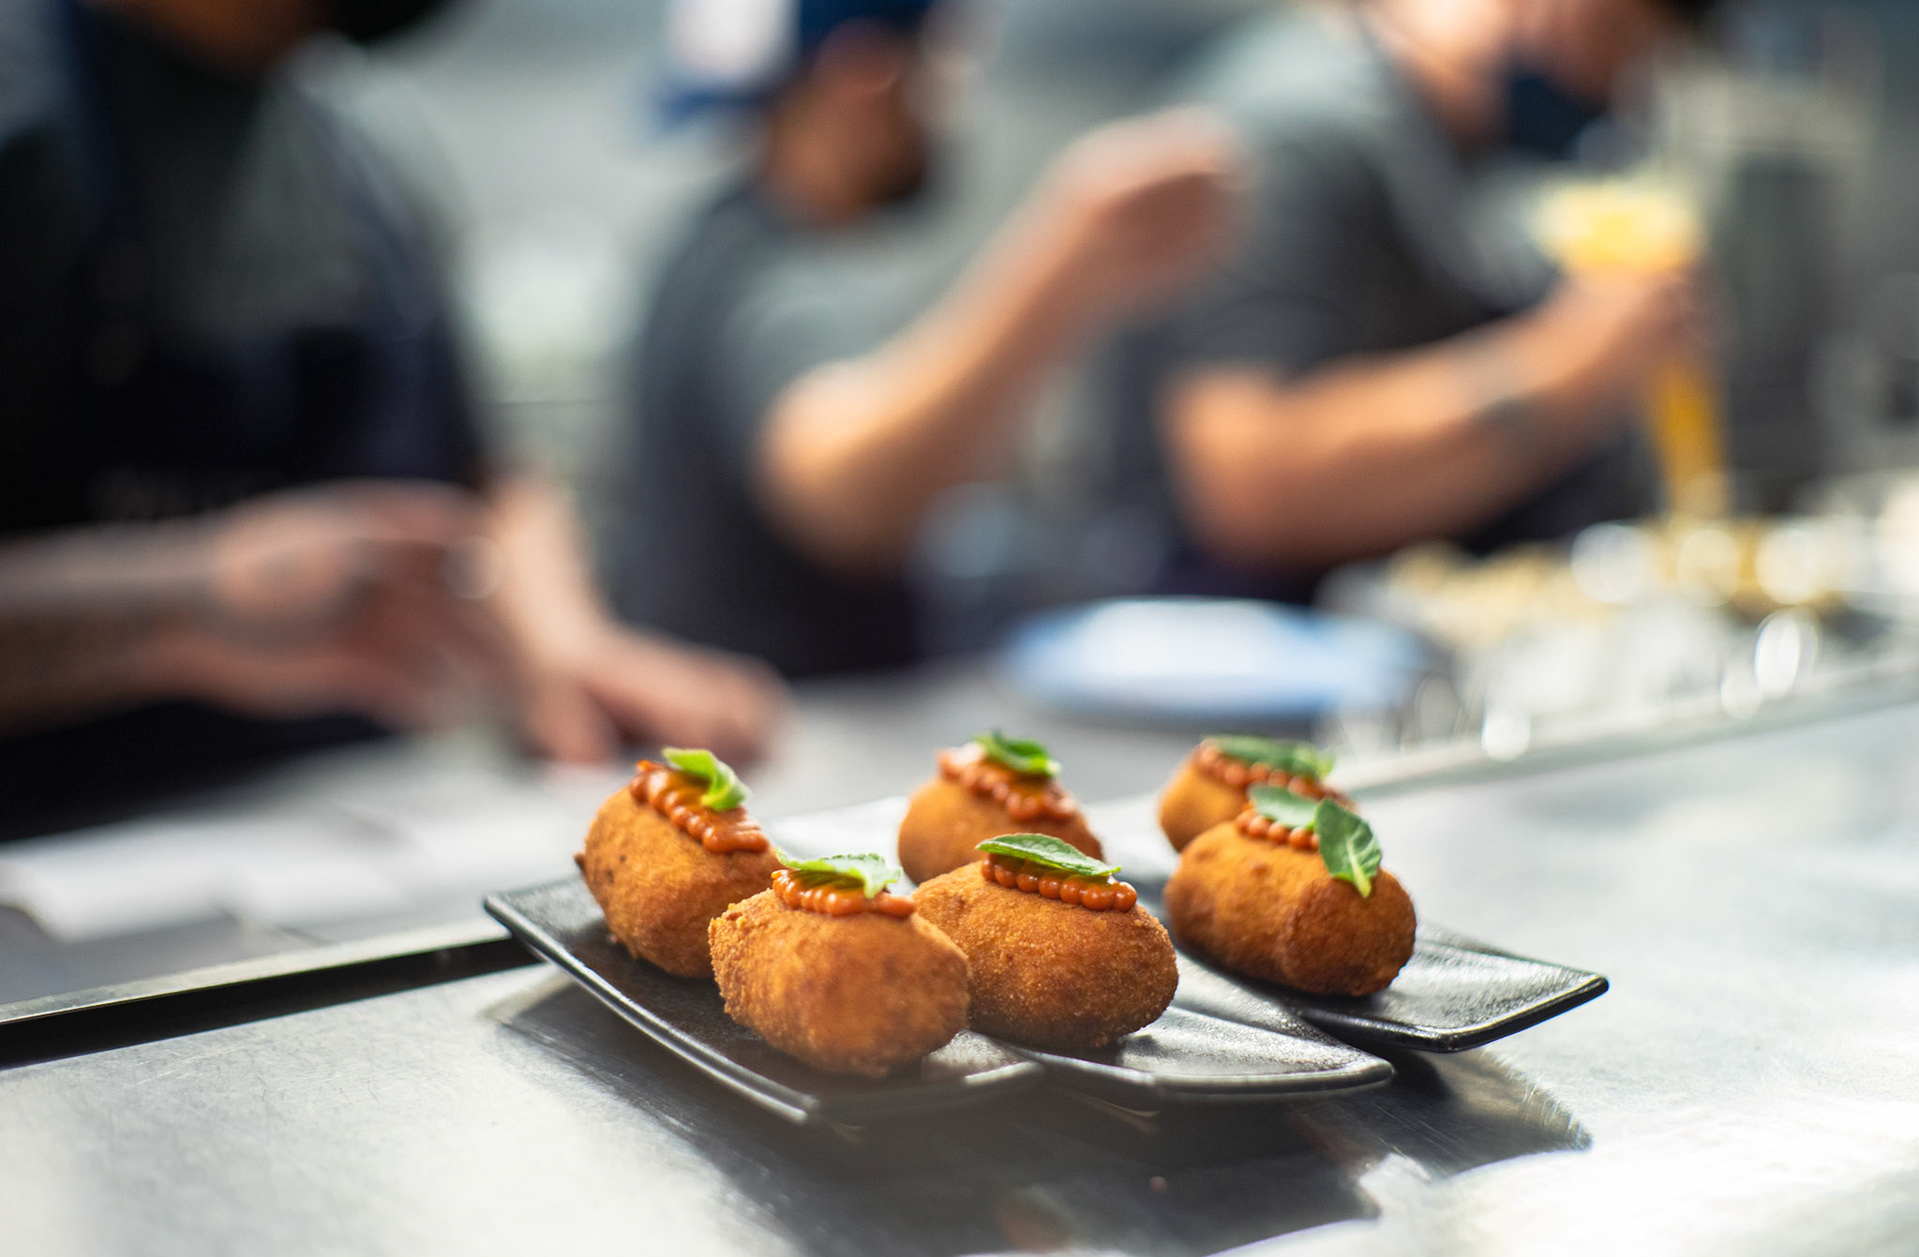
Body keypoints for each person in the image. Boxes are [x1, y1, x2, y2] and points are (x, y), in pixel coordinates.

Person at [0, 0, 783, 827]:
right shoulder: (28, 110)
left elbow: (482, 472)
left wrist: (566, 642)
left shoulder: (362, 140)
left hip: (331, 825)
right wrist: (191, 600)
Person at [611, 0, 1241, 677]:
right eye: (941, 62)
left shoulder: (714, 248)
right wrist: (1066, 260)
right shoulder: (768, 284)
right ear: (865, 76)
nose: (951, 101)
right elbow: (850, 493)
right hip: (793, 742)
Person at [1096, 0, 1719, 601]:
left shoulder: (1454, 129)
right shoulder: (1303, 124)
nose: (1610, 83)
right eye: (1612, 34)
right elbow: (1249, 488)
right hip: (1224, 642)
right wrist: (1568, 366)